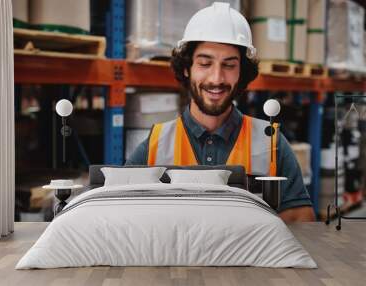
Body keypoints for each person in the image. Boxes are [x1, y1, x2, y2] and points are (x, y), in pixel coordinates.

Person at [126, 2, 315, 223]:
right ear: (187, 69)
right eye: (205, 63)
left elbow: (301, 219)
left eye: (229, 65)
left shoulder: (270, 142)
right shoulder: (155, 145)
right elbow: (126, 215)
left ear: (241, 72)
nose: (216, 78)